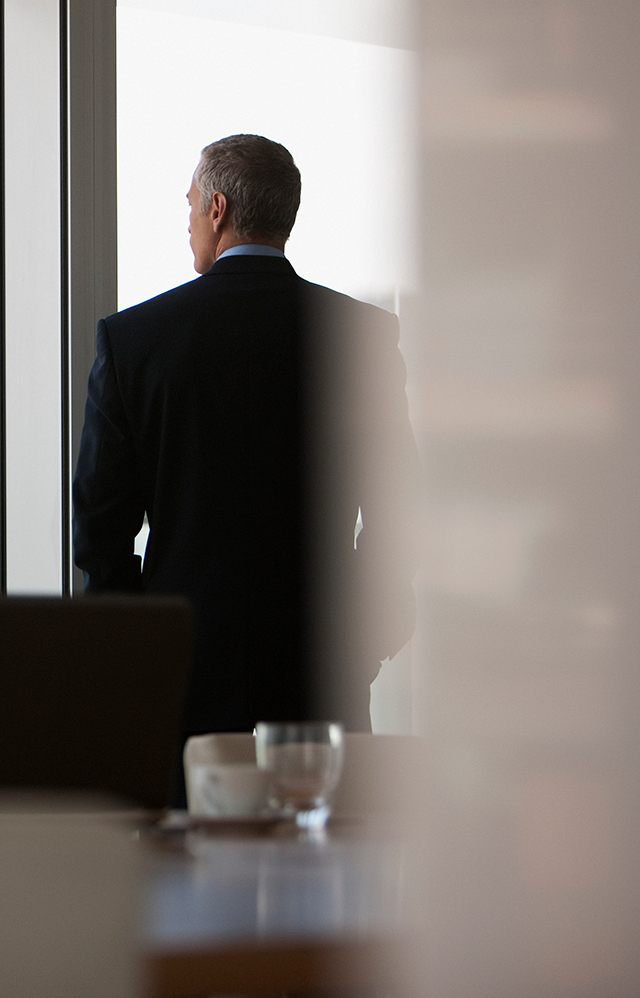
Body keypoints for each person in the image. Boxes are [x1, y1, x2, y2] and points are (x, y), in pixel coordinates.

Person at [71, 134, 418, 764]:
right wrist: (366, 632)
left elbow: (99, 528)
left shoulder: (135, 341)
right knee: (326, 852)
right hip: (324, 664)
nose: (188, 224)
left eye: (190, 206)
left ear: (218, 210)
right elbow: (402, 510)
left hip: (186, 673)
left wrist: (140, 648)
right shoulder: (363, 337)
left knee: (186, 852)